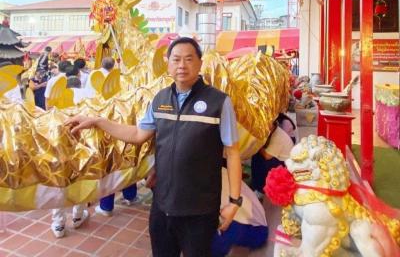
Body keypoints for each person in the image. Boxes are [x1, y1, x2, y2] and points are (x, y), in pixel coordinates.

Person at [67, 37, 242, 257]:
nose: (182, 65)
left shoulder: (218, 102)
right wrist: (98, 121)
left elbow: (233, 152)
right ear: (168, 64)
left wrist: (234, 201)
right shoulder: (160, 99)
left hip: (199, 210)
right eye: (176, 59)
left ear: (200, 63)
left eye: (189, 59)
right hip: (162, 205)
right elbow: (138, 134)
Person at [251, 118, 295, 200]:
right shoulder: (274, 131)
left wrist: (258, 145)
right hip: (280, 159)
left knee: (261, 161)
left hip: (285, 164)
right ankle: (256, 185)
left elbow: (267, 156)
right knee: (256, 156)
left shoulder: (278, 136)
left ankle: (260, 190)